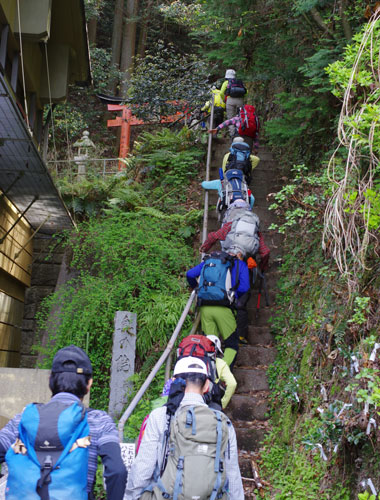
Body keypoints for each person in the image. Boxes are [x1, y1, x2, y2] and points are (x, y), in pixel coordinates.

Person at [0, 345, 127, 500]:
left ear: (50, 381)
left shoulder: (24, 418)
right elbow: (117, 471)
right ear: (89, 384)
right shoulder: (99, 421)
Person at [125, 357, 244, 500]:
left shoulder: (161, 416)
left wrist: (130, 496)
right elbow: (233, 475)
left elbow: (142, 470)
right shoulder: (222, 421)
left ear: (174, 382)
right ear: (207, 385)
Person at [186, 251, 250, 367]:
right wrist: (233, 296)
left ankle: (209, 375)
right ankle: (221, 374)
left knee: (209, 344)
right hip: (224, 308)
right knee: (232, 344)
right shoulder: (239, 264)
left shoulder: (210, 261)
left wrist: (197, 288)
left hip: (205, 307)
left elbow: (190, 274)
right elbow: (245, 287)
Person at [207, 335, 237, 410]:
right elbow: (232, 384)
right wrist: (222, 404)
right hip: (210, 400)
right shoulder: (220, 362)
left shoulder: (191, 359)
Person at [220, 69, 246, 137]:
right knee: (240, 117)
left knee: (231, 118)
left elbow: (221, 93)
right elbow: (246, 91)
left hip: (230, 100)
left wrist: (224, 100)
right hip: (240, 100)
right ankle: (240, 133)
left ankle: (232, 134)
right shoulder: (240, 82)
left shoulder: (226, 82)